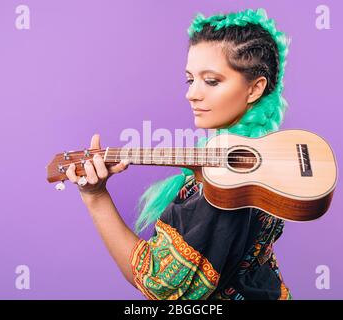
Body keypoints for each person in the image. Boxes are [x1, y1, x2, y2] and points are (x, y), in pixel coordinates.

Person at [66, 8, 293, 300]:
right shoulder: (267, 153)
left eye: (211, 81)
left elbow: (157, 282)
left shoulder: (221, 188)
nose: (192, 94)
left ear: (254, 89)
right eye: (190, 79)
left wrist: (95, 197)